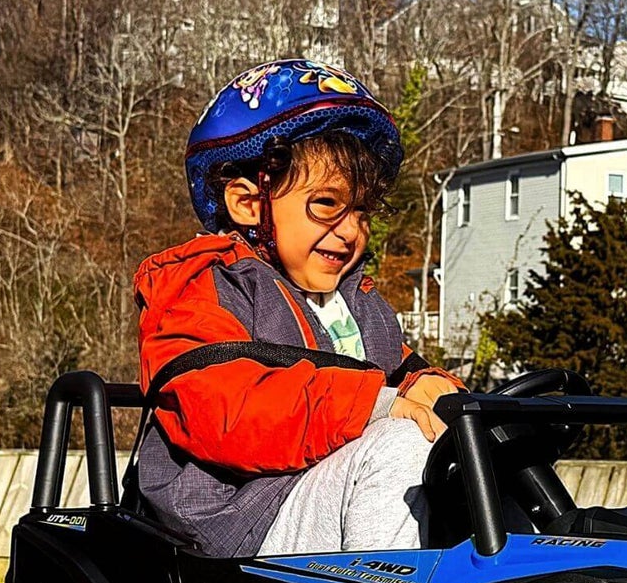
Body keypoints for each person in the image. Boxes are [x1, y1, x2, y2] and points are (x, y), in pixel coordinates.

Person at [132, 57, 462, 557]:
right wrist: (378, 406)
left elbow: (399, 371)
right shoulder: (203, 286)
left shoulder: (355, 302)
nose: (351, 231)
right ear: (247, 204)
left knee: (471, 459)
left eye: (361, 212)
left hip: (321, 497)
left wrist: (432, 389)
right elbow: (226, 408)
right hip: (237, 518)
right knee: (398, 447)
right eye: (327, 204)